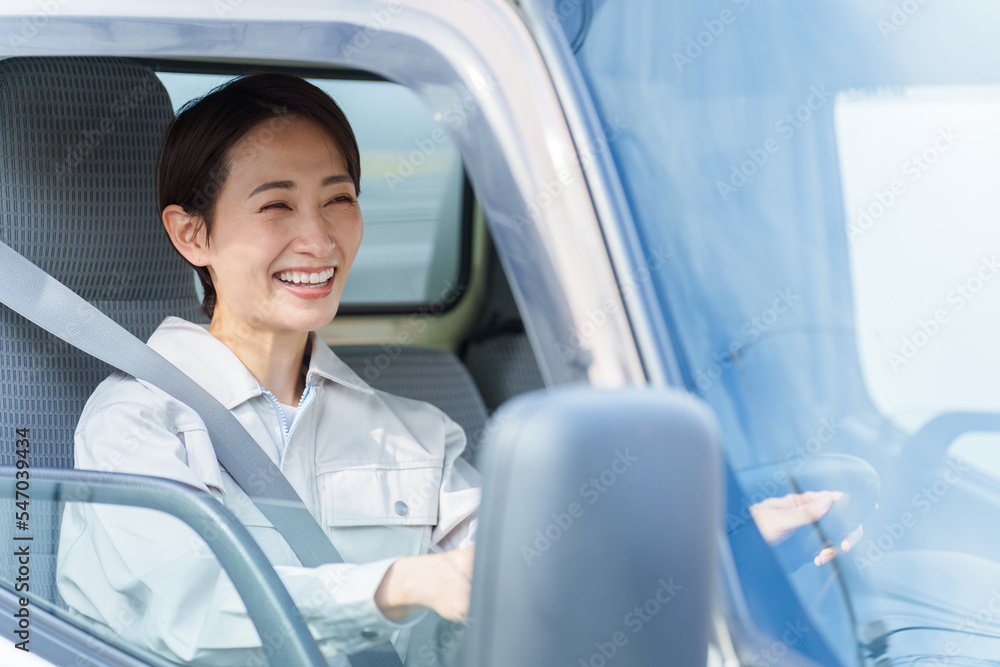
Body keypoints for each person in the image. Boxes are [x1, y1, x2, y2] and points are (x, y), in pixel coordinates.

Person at [56, 72, 858, 666]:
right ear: (192, 235)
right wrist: (400, 583)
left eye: (339, 198)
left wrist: (714, 546)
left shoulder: (413, 431)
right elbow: (179, 616)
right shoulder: (137, 422)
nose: (319, 239)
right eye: (276, 206)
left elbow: (537, 566)